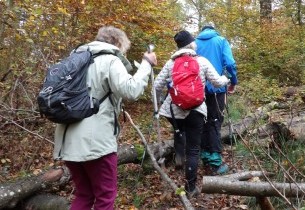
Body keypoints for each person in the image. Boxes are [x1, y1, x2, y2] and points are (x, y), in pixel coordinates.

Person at [52, 26, 157, 210]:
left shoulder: (73, 59)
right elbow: (131, 90)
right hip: (95, 143)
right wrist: (146, 64)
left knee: (84, 195)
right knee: (105, 197)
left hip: (66, 139)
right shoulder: (109, 59)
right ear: (118, 43)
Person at [153, 30, 230, 198]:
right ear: (191, 43)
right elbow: (217, 82)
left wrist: (158, 103)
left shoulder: (171, 63)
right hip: (196, 109)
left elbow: (156, 85)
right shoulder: (201, 61)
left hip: (174, 111)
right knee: (194, 150)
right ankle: (190, 188)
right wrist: (226, 79)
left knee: (181, 134)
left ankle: (179, 157)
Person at [195, 25, 238, 175]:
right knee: (214, 122)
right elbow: (230, 63)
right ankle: (215, 162)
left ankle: (205, 156)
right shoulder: (221, 41)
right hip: (217, 89)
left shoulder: (194, 43)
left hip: (198, 90)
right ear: (214, 30)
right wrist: (233, 81)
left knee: (203, 122)